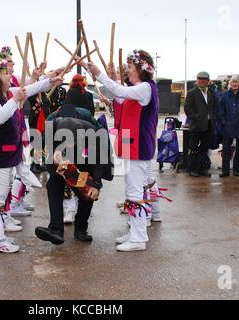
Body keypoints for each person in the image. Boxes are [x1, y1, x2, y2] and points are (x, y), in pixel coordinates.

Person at [0, 58, 63, 254]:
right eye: (7, 74)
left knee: (0, 196)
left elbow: (31, 88)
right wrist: (15, 101)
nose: (11, 77)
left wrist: (51, 81)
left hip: (4, 154)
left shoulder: (7, 93)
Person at [86, 49, 159, 252]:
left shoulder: (145, 88)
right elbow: (121, 98)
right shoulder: (138, 88)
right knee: (132, 189)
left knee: (136, 190)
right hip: (132, 144)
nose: (128, 68)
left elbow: (120, 92)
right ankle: (136, 233)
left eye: (130, 65)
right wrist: (110, 79)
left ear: (140, 68)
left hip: (139, 145)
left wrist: (100, 75)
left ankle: (138, 238)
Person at [35, 115, 113, 245]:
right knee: (53, 186)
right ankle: (55, 230)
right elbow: (42, 148)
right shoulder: (52, 127)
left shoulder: (92, 133)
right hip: (62, 162)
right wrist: (53, 154)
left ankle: (81, 229)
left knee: (87, 192)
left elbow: (99, 162)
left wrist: (96, 185)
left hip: (85, 161)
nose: (70, 145)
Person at [184, 72, 218, 178]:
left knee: (205, 148)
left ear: (208, 81)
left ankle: (203, 169)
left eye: (204, 79)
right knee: (193, 148)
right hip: (196, 125)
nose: (202, 81)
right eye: (200, 79)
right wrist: (197, 118)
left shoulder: (211, 92)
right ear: (197, 80)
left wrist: (214, 118)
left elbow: (215, 107)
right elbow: (188, 108)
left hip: (209, 125)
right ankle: (192, 169)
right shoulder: (191, 93)